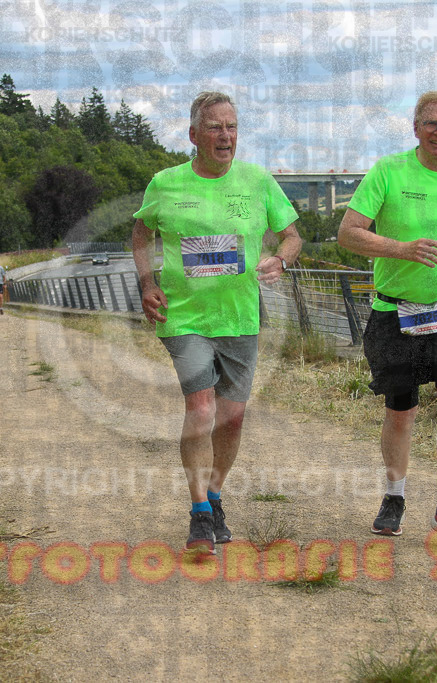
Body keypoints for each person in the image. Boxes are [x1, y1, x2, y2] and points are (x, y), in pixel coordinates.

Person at [132, 91, 302, 554]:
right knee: (202, 409)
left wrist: (281, 260)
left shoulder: (258, 181)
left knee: (232, 417)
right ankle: (199, 515)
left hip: (240, 316)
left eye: (231, 126)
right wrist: (147, 282)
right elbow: (141, 232)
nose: (225, 136)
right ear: (193, 135)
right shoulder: (166, 183)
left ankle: (215, 494)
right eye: (214, 127)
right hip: (184, 317)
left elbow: (292, 236)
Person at [336, 87, 437, 548]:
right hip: (394, 309)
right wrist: (401, 249)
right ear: (416, 127)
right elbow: (348, 233)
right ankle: (394, 495)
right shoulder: (388, 171)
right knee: (400, 410)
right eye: (431, 123)